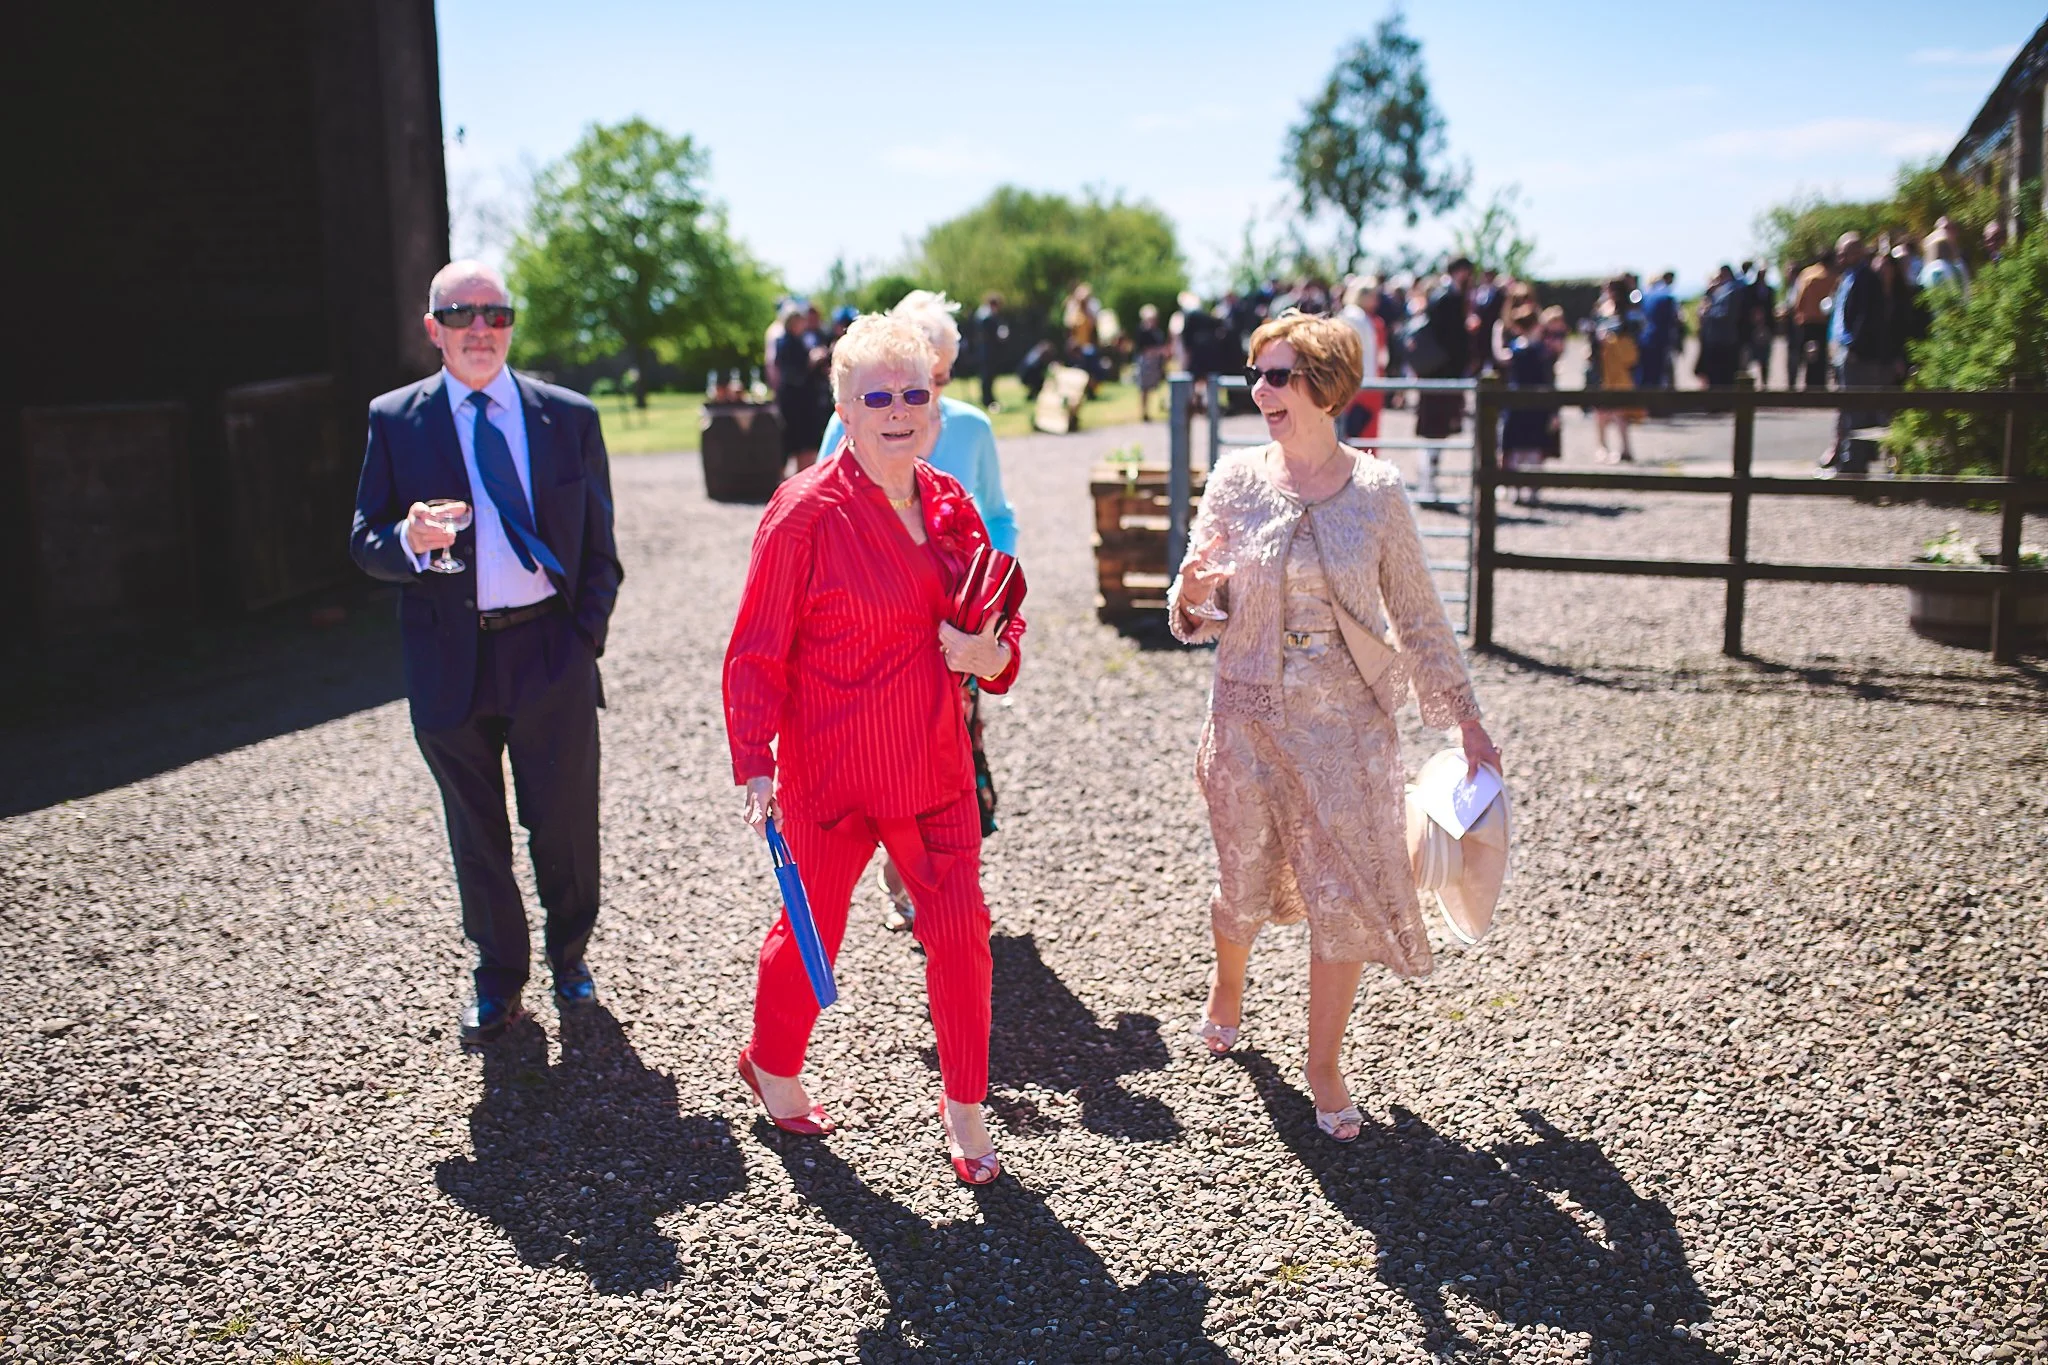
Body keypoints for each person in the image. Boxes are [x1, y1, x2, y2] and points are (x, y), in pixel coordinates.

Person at [1170, 309, 1500, 1144]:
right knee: (1243, 884)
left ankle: (1322, 1062)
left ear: (1324, 385)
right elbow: (1190, 604)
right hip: (1247, 714)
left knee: (1341, 896)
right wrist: (1198, 593)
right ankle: (1229, 982)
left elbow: (1421, 619)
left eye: (1277, 375)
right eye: (1255, 373)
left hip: (1349, 724)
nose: (1260, 391)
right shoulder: (1237, 479)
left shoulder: (1380, 493)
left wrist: (1468, 725)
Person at [724, 313, 1026, 1184]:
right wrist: (755, 762)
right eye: (878, 396)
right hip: (830, 773)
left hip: (933, 765)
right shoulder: (803, 512)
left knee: (963, 932)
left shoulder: (949, 502)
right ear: (844, 409)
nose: (899, 410)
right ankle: (771, 1062)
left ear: (937, 403)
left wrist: (993, 656)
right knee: (811, 929)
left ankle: (965, 1103)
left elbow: (1001, 618)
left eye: (915, 393)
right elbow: (755, 649)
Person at [349, 260, 623, 1043]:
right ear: (432, 328)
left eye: (495, 313)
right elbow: (363, 540)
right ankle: (499, 979)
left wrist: (583, 639)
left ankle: (571, 954)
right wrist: (406, 538)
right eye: (461, 313)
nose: (480, 327)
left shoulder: (567, 416)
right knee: (477, 833)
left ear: (511, 325)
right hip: (449, 658)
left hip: (548, 649)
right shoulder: (396, 419)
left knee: (565, 824)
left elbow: (600, 549)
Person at [818, 291, 1021, 927]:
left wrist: (994, 595)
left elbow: (997, 514)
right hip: (875, 634)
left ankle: (945, 883)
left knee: (951, 752)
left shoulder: (972, 428)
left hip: (957, 627)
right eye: (905, 379)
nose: (914, 399)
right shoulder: (853, 418)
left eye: (935, 380)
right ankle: (900, 862)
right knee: (881, 759)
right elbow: (825, 507)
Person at [1824, 232, 1889, 472]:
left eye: (1844, 252)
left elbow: (1867, 318)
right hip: (1843, 352)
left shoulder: (1866, 278)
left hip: (1858, 356)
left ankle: (1855, 464)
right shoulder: (1847, 278)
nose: (1840, 257)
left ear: (1857, 252)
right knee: (1845, 409)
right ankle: (1845, 460)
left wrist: (1854, 348)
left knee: (1857, 410)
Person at [1501, 304, 1564, 504]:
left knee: (1519, 451)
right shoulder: (1541, 351)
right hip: (1536, 406)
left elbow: (1500, 358)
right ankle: (1533, 489)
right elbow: (1549, 380)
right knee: (1533, 451)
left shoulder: (1517, 349)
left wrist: (1496, 334)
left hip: (1518, 405)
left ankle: (1518, 490)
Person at [1412, 257, 1475, 443]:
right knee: (1436, 424)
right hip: (1442, 368)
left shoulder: (1444, 294)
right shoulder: (1447, 297)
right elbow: (1449, 337)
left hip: (1442, 366)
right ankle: (1429, 468)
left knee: (1440, 424)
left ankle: (1431, 466)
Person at [1589, 277, 1644, 462]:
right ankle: (1601, 446)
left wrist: (1613, 339)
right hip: (1600, 365)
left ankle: (1626, 448)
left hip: (1619, 365)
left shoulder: (1628, 312)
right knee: (1601, 409)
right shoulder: (1599, 310)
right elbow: (1591, 334)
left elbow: (1634, 337)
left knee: (1620, 407)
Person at [775, 305, 831, 474]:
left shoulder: (799, 340)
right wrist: (811, 361)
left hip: (803, 401)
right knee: (796, 443)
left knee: (805, 444)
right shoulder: (785, 343)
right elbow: (794, 374)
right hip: (795, 403)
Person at [1335, 278, 1386, 441]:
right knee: (1358, 434)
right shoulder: (1354, 317)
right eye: (1373, 295)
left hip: (1365, 382)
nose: (1376, 300)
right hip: (1361, 384)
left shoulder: (1360, 316)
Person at [1788, 251, 1838, 391]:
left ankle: (1809, 383)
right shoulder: (1834, 276)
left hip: (1807, 320)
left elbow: (1800, 297)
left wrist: (1798, 312)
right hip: (1824, 321)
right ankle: (1820, 384)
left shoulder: (1807, 274)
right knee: (1821, 354)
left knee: (1808, 354)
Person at [1695, 265, 1744, 388]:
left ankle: (1722, 403)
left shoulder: (1732, 291)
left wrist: (1708, 313)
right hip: (1715, 339)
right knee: (1714, 374)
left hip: (1724, 339)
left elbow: (1727, 314)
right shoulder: (1720, 291)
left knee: (1723, 375)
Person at [1637, 272, 1680, 389]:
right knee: (1660, 373)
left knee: (1647, 372)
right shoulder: (1667, 297)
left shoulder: (1645, 295)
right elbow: (1674, 319)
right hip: (1661, 338)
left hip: (1646, 337)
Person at [1132, 303, 1171, 422]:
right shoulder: (1141, 330)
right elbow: (1142, 348)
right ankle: (1144, 412)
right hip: (1145, 362)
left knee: (1155, 387)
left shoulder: (1157, 332)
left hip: (1156, 362)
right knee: (1144, 388)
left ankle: (1158, 408)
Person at [973, 293, 1008, 411]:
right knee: (986, 376)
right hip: (986, 352)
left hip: (987, 351)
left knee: (989, 376)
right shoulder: (986, 316)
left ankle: (988, 398)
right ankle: (987, 399)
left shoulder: (984, 315)